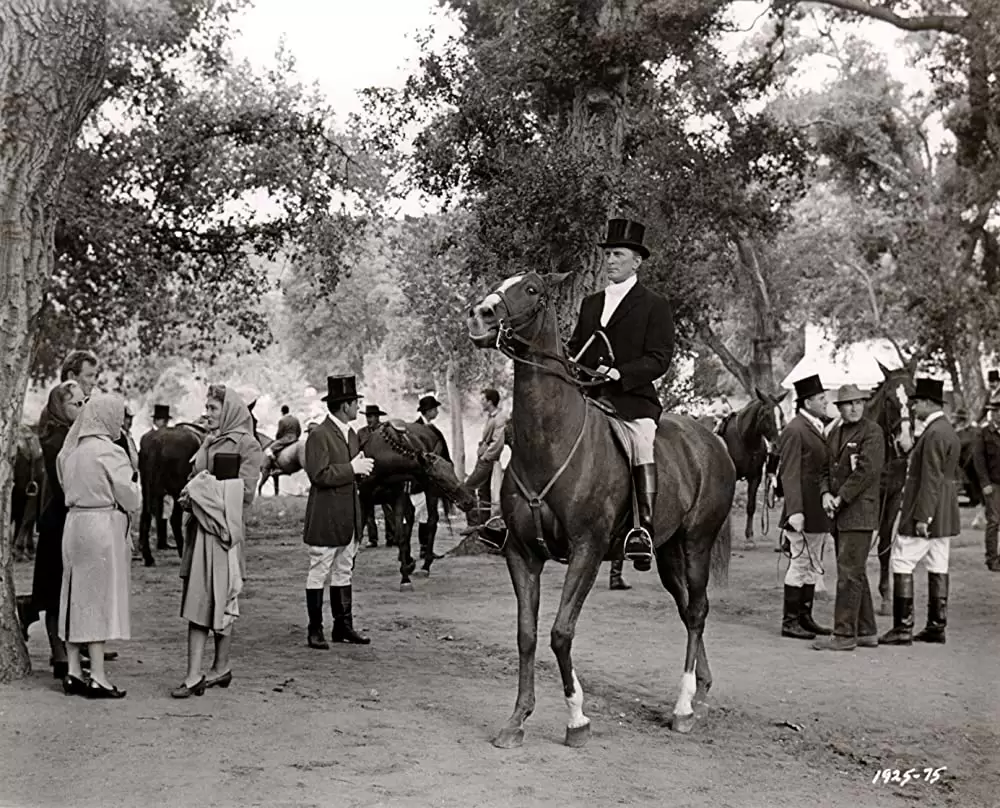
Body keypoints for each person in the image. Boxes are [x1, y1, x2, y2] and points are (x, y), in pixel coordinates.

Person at [565, 218, 674, 571]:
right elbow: (577, 347)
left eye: (618, 254)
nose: (610, 260)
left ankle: (643, 528)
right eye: (608, 254)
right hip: (588, 397)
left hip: (631, 399)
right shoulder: (591, 303)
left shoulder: (654, 305)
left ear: (636, 261)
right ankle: (519, 518)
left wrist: (619, 373)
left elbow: (660, 358)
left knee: (642, 441)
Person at [172, 385, 263, 698]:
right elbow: (192, 484)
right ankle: (194, 673)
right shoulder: (207, 442)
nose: (207, 414)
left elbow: (247, 492)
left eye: (214, 408)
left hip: (225, 534)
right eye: (206, 408)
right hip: (200, 532)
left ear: (230, 411)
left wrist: (203, 490)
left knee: (223, 599)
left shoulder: (248, 445)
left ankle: (219, 667)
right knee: (197, 599)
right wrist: (192, 493)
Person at [56, 394, 142, 699]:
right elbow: (130, 499)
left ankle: (73, 671)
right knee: (98, 598)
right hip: (102, 525)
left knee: (74, 594)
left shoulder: (70, 453)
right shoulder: (110, 453)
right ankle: (99, 676)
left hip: (74, 524)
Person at [880, 378, 961, 645]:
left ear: (928, 403)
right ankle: (937, 626)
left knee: (902, 561)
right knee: (938, 563)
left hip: (927, 508)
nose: (913, 409)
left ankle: (903, 628)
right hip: (945, 510)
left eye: (916, 404)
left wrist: (922, 517)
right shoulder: (944, 429)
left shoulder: (934, 433)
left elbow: (931, 479)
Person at [303, 375, 374, 649]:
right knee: (319, 569)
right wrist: (352, 469)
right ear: (345, 405)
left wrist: (362, 471)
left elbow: (350, 472)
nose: (359, 407)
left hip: (349, 514)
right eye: (356, 402)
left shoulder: (352, 434)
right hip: (326, 514)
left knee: (345, 570)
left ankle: (342, 626)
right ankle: (315, 629)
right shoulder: (319, 434)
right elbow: (318, 475)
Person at [813, 384, 884, 651]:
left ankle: (844, 635)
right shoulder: (836, 433)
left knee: (848, 574)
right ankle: (866, 630)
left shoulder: (872, 432)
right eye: (848, 404)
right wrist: (824, 495)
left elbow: (866, 472)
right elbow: (823, 469)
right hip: (839, 513)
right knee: (855, 572)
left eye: (858, 403)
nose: (854, 407)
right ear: (839, 408)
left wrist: (839, 497)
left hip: (859, 513)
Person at [30, 381, 86, 680]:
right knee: (54, 587)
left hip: (69, 516)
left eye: (84, 402)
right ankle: (59, 653)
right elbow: (64, 482)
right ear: (60, 406)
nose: (82, 408)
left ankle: (67, 651)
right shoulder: (56, 439)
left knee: (66, 587)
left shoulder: (71, 435)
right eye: (76, 404)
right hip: (58, 517)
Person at [777, 374, 833, 640]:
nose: (826, 402)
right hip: (803, 509)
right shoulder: (795, 429)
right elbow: (789, 473)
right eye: (822, 399)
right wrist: (794, 511)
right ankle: (790, 621)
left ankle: (804, 616)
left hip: (817, 509)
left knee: (813, 563)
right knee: (800, 563)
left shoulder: (816, 426)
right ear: (808, 402)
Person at [414, 394, 452, 572]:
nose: (437, 411)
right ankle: (420, 549)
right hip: (419, 481)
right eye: (435, 409)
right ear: (428, 411)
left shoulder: (434, 430)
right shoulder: (416, 429)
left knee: (430, 515)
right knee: (420, 515)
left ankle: (426, 549)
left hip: (433, 481)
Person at [138, 404, 171, 566]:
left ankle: (161, 540)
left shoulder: (148, 437)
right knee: (150, 510)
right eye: (161, 420)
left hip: (157, 480)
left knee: (161, 510)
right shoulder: (148, 438)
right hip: (152, 480)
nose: (163, 424)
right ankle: (146, 542)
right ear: (157, 421)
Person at [358, 404, 395, 548]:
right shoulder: (361, 433)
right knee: (367, 507)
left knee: (388, 506)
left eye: (372, 416)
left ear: (378, 417)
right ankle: (372, 538)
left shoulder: (385, 431)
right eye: (367, 417)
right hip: (367, 473)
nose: (369, 419)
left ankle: (391, 537)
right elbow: (357, 451)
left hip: (384, 472)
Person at [971, 395, 1000, 571]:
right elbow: (978, 460)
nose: (997, 415)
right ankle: (992, 558)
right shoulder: (984, 433)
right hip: (994, 484)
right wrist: (984, 483)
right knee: (994, 522)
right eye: (994, 412)